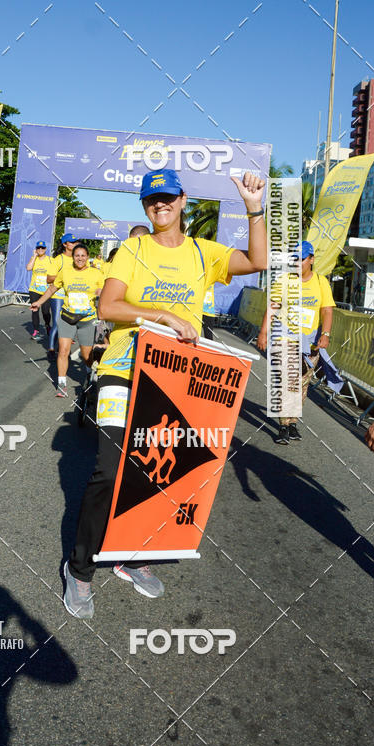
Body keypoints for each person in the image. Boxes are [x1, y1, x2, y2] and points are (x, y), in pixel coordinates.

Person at [62, 168, 267, 619]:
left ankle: (132, 557)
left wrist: (255, 208)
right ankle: (78, 571)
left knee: (159, 473)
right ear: (145, 206)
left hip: (174, 379)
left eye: (168, 198)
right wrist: (161, 316)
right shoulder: (132, 250)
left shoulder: (203, 252)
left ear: (183, 200)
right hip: (122, 370)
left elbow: (257, 261)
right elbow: (109, 306)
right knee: (111, 472)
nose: (161, 205)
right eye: (152, 200)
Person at [257, 240, 342, 445]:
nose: (297, 263)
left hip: (310, 341)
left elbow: (327, 310)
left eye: (301, 259)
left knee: (302, 384)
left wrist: (327, 334)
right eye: (293, 259)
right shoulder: (284, 281)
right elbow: (273, 307)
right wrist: (263, 332)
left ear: (311, 259)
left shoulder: (321, 282)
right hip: (285, 337)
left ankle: (292, 422)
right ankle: (283, 425)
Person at [32, 243, 104, 397]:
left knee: (86, 356)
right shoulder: (65, 272)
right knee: (63, 351)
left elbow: (104, 291)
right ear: (73, 257)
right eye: (77, 255)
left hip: (88, 319)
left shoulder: (96, 273)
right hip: (67, 317)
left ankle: (90, 375)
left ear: (87, 257)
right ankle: (62, 385)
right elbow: (52, 288)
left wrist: (101, 294)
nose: (80, 258)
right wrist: (39, 302)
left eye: (83, 256)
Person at [46, 233, 76, 359]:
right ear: (65, 244)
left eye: (76, 242)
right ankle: (51, 349)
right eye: (72, 242)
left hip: (72, 296)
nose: (74, 244)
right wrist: (63, 277)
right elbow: (49, 279)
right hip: (58, 295)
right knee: (58, 323)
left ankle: (64, 349)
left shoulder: (77, 258)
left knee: (69, 324)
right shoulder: (59, 259)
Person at [26, 241, 52, 340]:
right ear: (36, 249)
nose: (40, 250)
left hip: (46, 290)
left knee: (46, 311)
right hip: (34, 289)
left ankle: (47, 324)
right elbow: (28, 268)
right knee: (35, 310)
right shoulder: (34, 259)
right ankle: (36, 330)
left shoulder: (50, 260)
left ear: (45, 249)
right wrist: (34, 256)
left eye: (42, 248)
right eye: (38, 248)